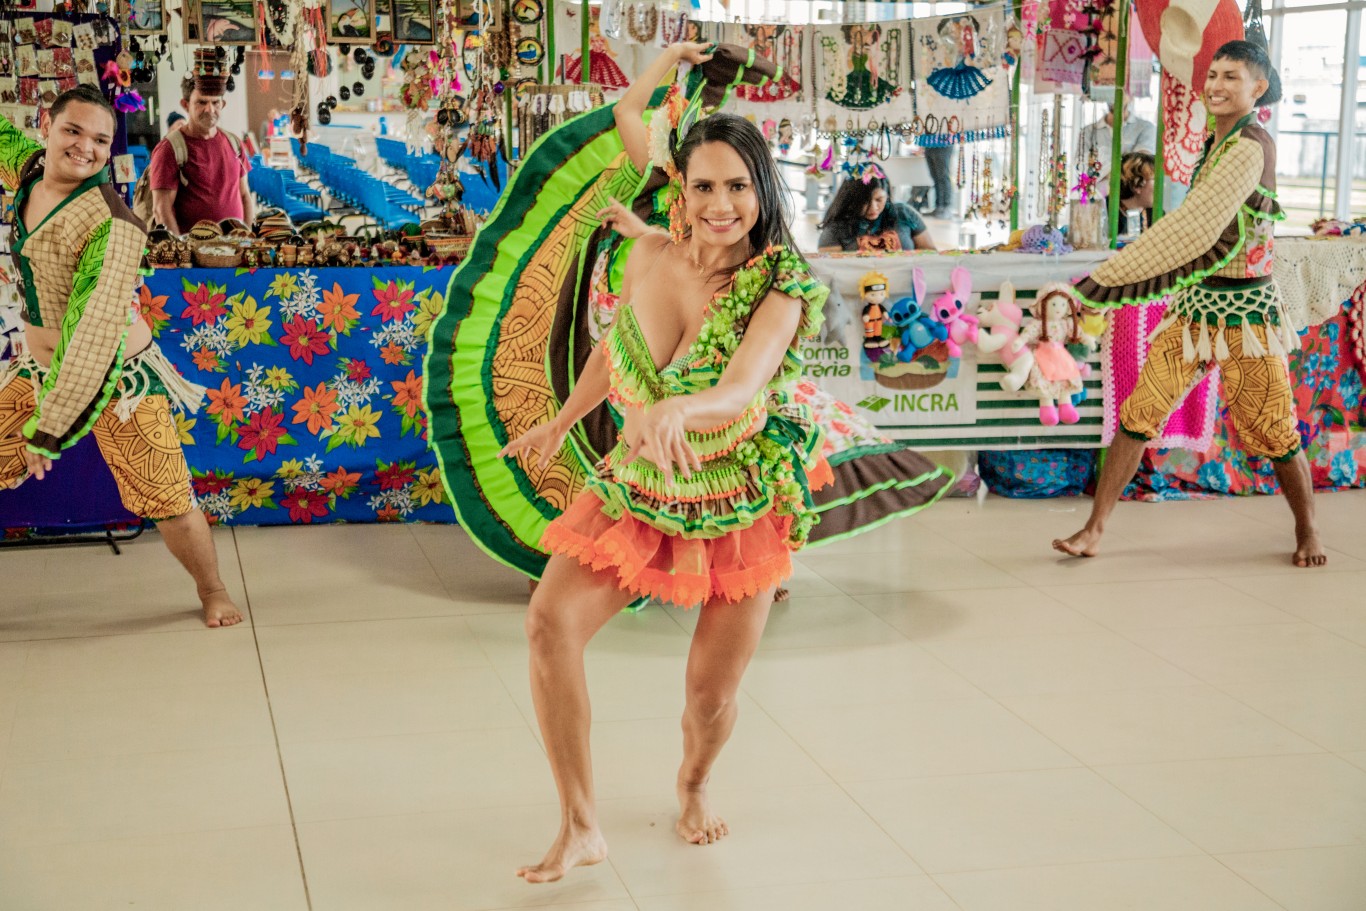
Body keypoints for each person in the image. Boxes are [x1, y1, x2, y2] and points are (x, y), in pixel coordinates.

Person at [491, 40, 919, 883]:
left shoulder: (783, 284)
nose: (721, 204)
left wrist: (679, 408)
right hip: (642, 483)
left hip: (737, 494)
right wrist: (563, 420)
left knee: (708, 698)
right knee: (548, 623)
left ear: (762, 190)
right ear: (679, 193)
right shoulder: (650, 254)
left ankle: (694, 782)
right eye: (703, 186)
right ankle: (581, 822)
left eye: (737, 186)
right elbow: (617, 355)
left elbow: (743, 385)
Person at [1056, 40, 1325, 568]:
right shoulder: (1214, 141)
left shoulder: (1249, 146)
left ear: (1258, 88)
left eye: (1232, 77)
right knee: (1139, 413)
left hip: (1247, 315)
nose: (1217, 86)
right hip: (1197, 307)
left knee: (1274, 430)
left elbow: (1196, 227)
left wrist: (1109, 277)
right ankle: (1093, 529)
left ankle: (1309, 530)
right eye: (1214, 75)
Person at [0, 86, 243, 627]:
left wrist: (50, 426)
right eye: (73, 131)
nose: (84, 147)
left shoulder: (110, 226)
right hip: (39, 367)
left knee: (167, 496)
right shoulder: (31, 170)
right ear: (46, 126)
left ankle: (213, 589)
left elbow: (93, 333)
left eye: (100, 140)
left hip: (119, 376)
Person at [148, 71, 253, 235]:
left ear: (222, 104)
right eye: (201, 102)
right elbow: (161, 210)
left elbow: (245, 195)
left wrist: (248, 240)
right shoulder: (170, 149)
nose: (209, 109)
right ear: (185, 104)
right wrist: (181, 255)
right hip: (194, 256)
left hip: (235, 251)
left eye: (215, 102)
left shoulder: (234, 143)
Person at [818, 174, 936, 252]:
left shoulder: (903, 213)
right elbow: (831, 268)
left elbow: (930, 253)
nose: (873, 208)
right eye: (865, 202)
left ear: (887, 196)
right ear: (851, 200)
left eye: (879, 199)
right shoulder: (836, 227)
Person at [1075, 102, 1157, 187]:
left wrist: (1102, 170)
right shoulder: (1088, 132)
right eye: (1110, 89)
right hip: (1098, 194)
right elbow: (1081, 167)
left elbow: (1140, 164)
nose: (1114, 96)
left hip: (1131, 195)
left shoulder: (1146, 128)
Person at [1117, 150, 1155, 237]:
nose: (1162, 185)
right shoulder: (1105, 212)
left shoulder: (1156, 215)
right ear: (1137, 184)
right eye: (1155, 180)